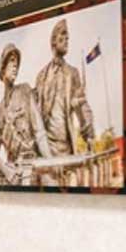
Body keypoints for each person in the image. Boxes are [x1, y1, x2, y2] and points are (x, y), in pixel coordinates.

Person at [0, 43, 51, 185]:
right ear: (3, 68)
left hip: (30, 168)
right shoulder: (1, 108)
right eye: (11, 61)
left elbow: (40, 132)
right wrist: (6, 170)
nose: (15, 66)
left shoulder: (25, 90)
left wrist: (51, 161)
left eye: (17, 63)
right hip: (12, 173)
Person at [34, 19, 95, 156]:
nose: (67, 40)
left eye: (68, 38)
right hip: (44, 148)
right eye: (63, 36)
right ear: (53, 41)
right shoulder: (41, 76)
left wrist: (89, 135)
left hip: (65, 146)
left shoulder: (72, 73)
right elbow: (34, 112)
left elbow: (82, 104)